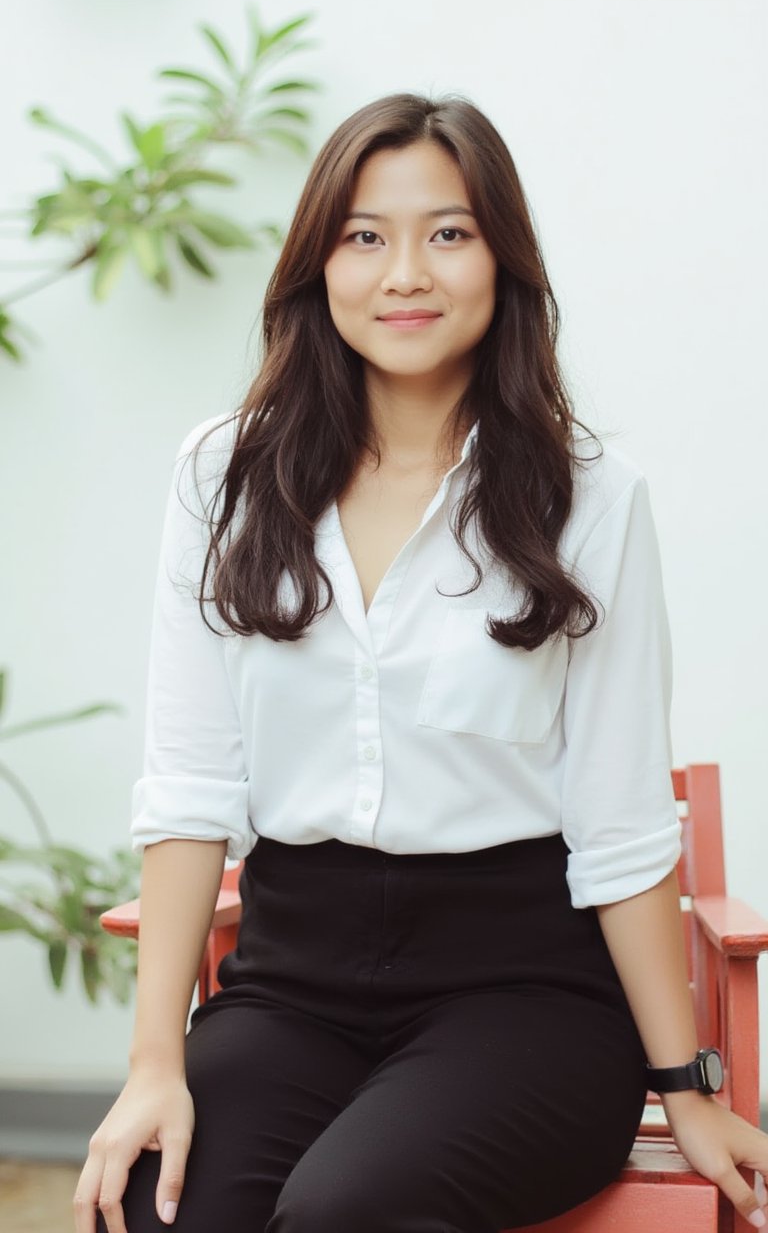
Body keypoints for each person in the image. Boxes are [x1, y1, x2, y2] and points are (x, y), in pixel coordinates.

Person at [75, 91, 768, 1233]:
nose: (406, 272)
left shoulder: (589, 499)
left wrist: (687, 1084)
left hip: (527, 994)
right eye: (365, 236)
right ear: (318, 266)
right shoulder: (221, 479)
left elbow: (622, 823)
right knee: (155, 1205)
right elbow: (192, 787)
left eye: (448, 233)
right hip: (292, 985)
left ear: (504, 263)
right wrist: (156, 1062)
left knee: (348, 1211)